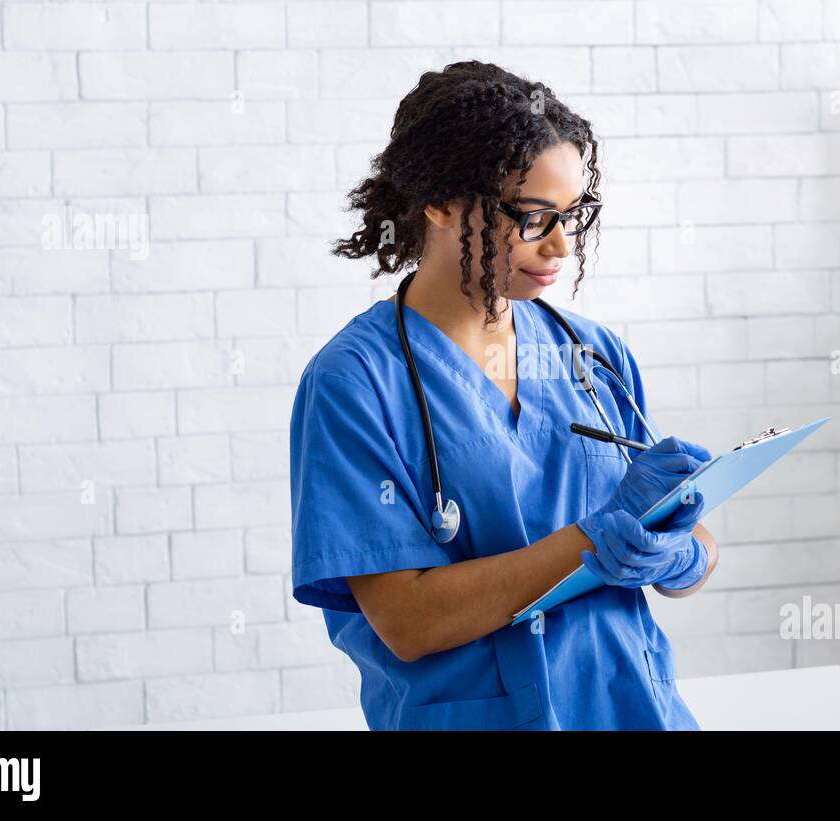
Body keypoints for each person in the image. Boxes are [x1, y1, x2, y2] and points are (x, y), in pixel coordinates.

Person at [290, 61, 718, 730]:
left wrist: (682, 553)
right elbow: (407, 619)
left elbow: (683, 542)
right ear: (439, 201)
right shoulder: (356, 381)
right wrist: (587, 542)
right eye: (532, 217)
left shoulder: (592, 358)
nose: (559, 247)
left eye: (572, 217)